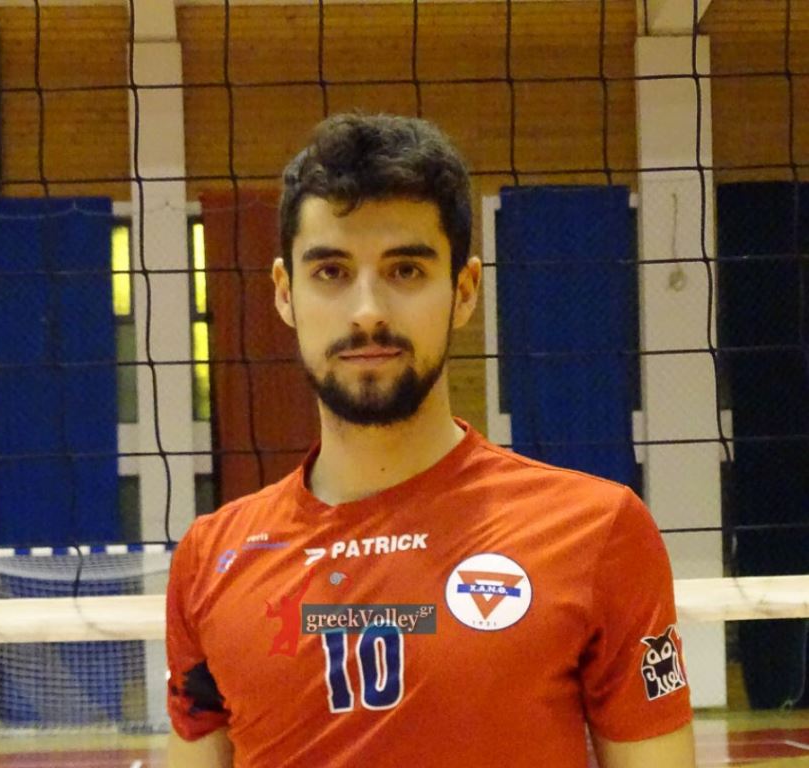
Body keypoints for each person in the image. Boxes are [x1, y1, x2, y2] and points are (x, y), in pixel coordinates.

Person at [166, 113, 695, 767]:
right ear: (284, 293)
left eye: (406, 271)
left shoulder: (595, 531)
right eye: (330, 272)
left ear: (464, 291)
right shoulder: (211, 559)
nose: (367, 311)